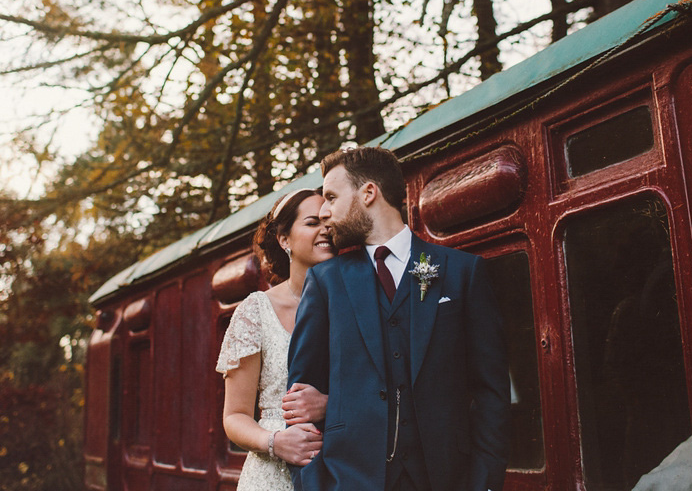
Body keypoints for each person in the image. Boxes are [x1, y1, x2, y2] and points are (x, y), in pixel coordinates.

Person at [287, 147, 511, 491]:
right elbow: (300, 402)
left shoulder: (462, 272)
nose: (325, 212)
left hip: (447, 480)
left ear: (368, 193)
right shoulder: (325, 283)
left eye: (331, 197)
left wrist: (483, 482)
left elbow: (491, 393)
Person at [216, 188, 334, 490]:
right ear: (284, 240)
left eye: (328, 222)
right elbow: (235, 416)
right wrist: (275, 442)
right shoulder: (256, 311)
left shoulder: (352, 303)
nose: (325, 231)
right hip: (271, 476)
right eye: (311, 223)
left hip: (339, 468)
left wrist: (332, 405)